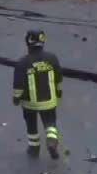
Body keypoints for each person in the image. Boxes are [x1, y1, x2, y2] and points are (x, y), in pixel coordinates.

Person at [12, 29, 63, 158]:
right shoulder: (52, 58)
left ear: (28, 42)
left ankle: (34, 148)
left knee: (31, 125)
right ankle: (52, 141)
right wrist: (58, 92)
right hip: (49, 101)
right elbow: (58, 78)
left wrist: (16, 98)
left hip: (29, 104)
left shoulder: (23, 63)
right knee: (50, 122)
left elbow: (18, 85)